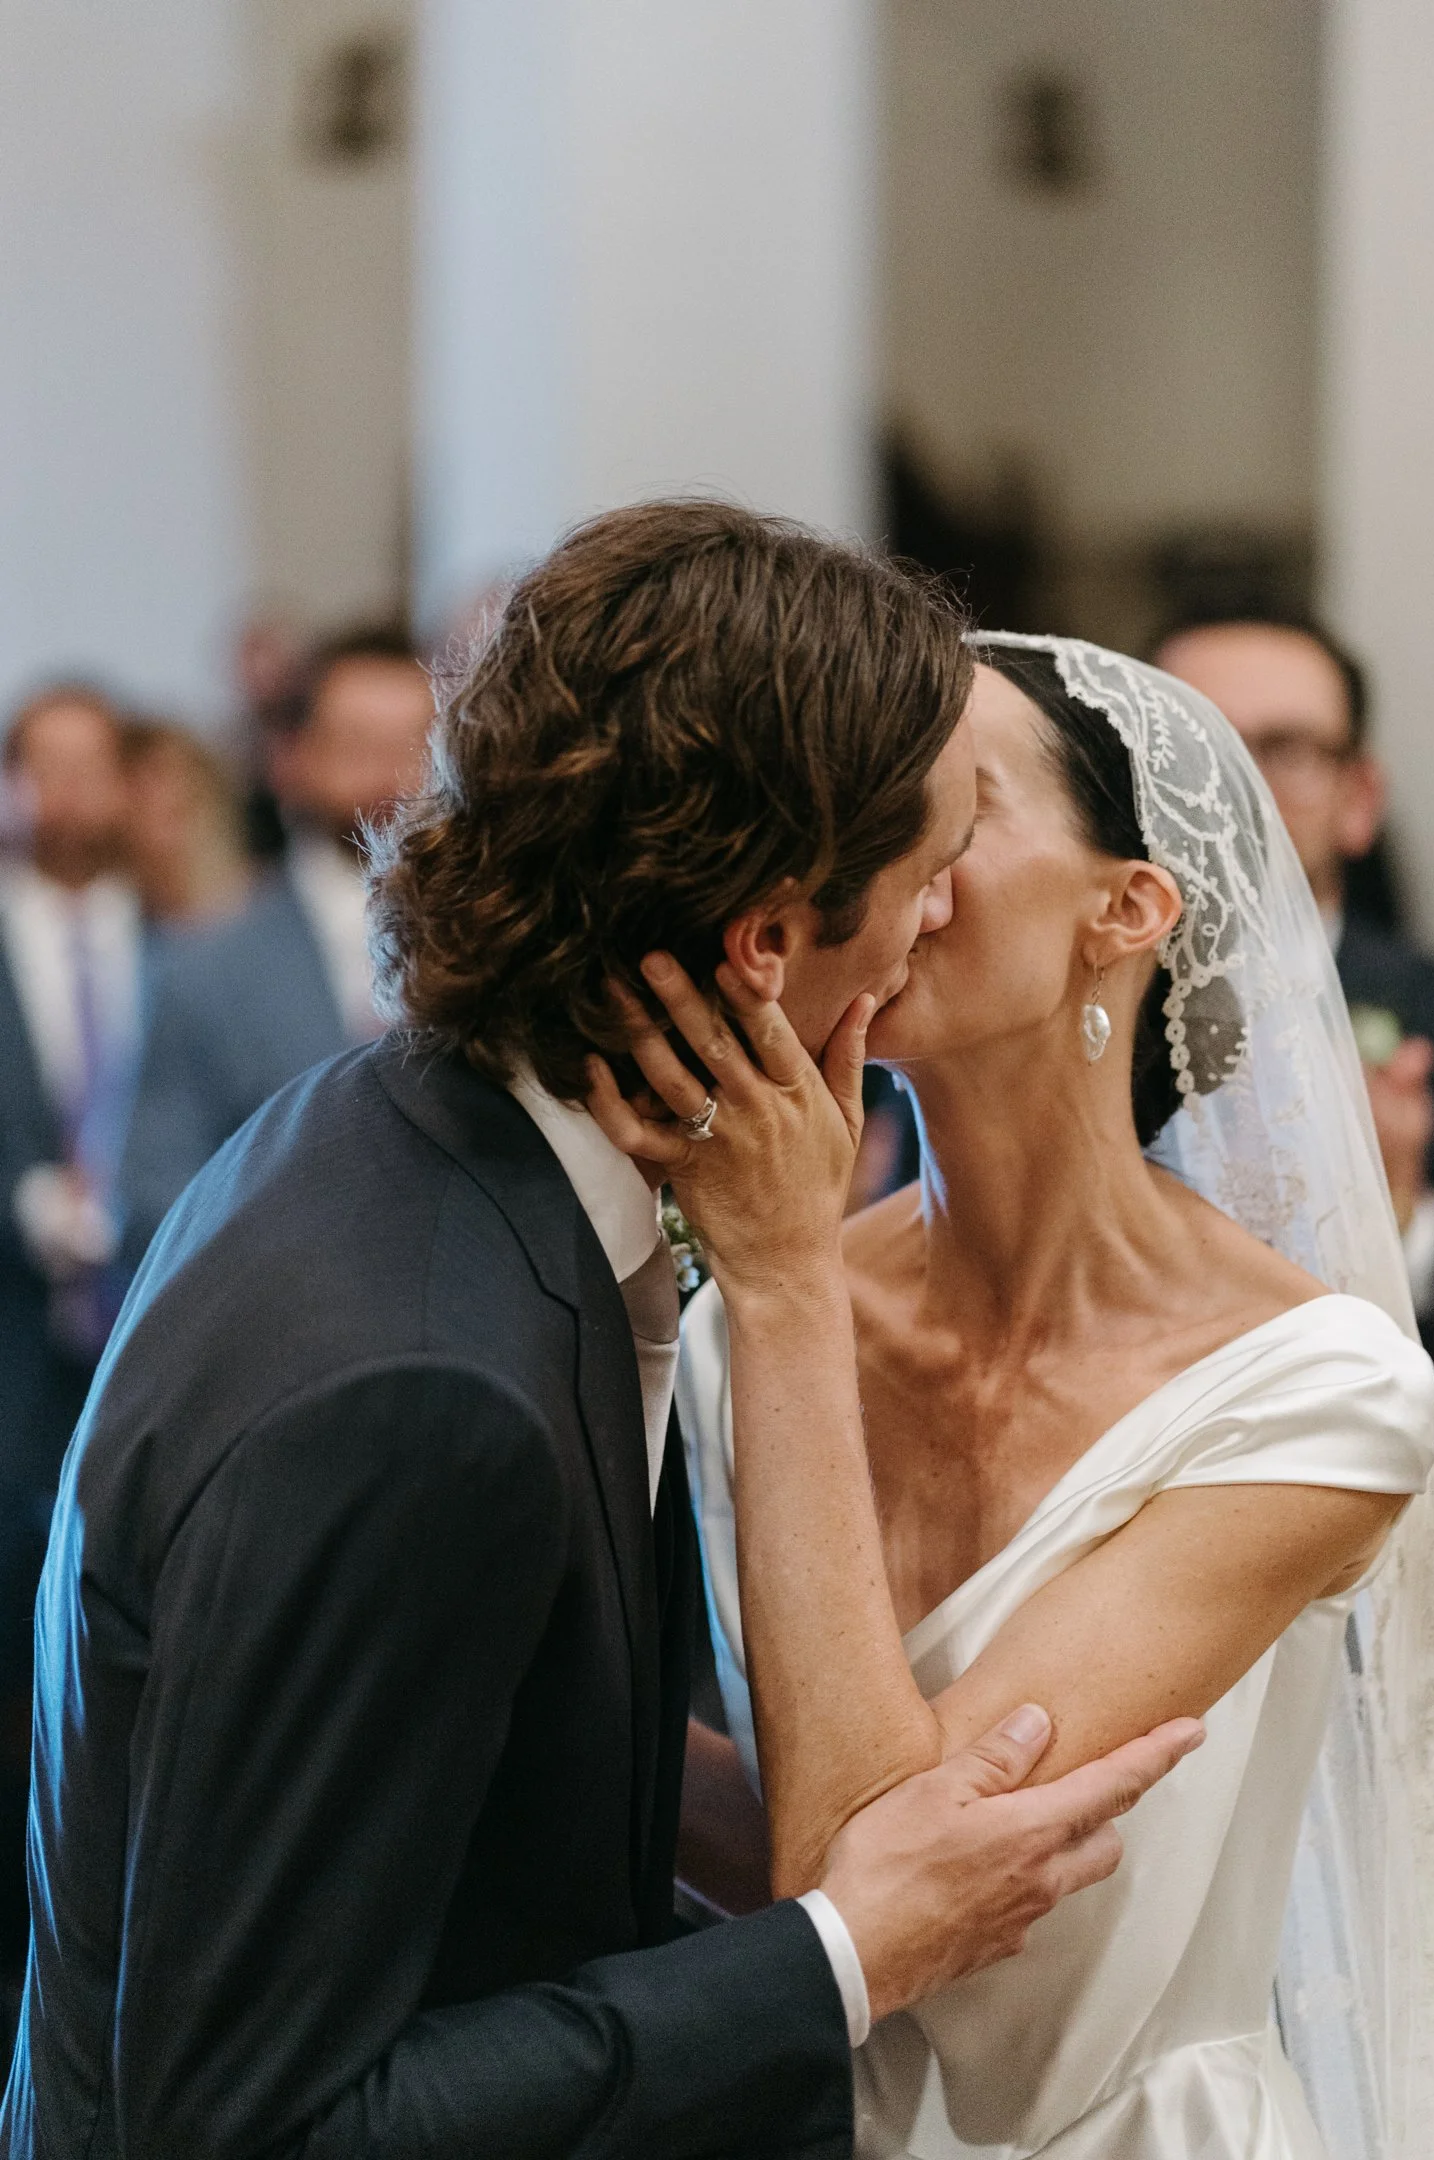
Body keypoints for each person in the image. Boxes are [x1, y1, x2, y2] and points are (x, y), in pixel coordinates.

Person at [0, 509, 1200, 2159]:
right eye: (926, 884)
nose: (940, 924)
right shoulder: (423, 1390)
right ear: (769, 940)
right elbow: (249, 2127)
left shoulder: (400, 1136)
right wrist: (847, 1951)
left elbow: (500, 1806)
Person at [599, 635, 1434, 2157]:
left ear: (1128, 906)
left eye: (955, 816)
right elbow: (808, 1877)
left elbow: (890, 1893)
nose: (883, 869)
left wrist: (785, 1280)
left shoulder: (1326, 1393)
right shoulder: (744, 1331)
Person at [1154, 614, 1434, 1345]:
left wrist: (1398, 1226)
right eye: (1196, 744)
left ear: (1360, 798)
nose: (1237, 785)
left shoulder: (1426, 1011)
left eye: (1285, 749)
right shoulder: (1039, 1009)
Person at [118, 626, 432, 1259]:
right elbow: (155, 1196)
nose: (396, 776)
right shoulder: (204, 966)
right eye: (359, 745)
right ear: (293, 758)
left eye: (419, 745)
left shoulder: (504, 947)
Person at [0, 684, 142, 2002]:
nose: (67, 797)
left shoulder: (180, 930)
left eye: (91, 767)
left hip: (143, 1348)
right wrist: (29, 1194)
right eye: (43, 770)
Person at [118, 718, 253, 927]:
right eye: (137, 783)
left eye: (159, 775)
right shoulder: (118, 929)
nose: (156, 796)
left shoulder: (267, 902)